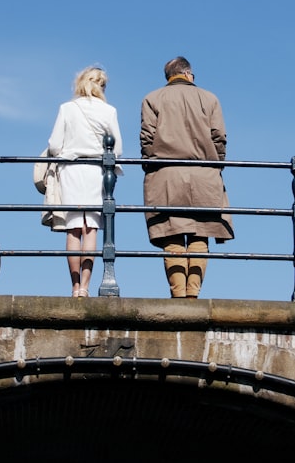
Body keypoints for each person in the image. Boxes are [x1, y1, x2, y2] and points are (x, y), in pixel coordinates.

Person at [140, 56, 234, 298]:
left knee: (171, 235)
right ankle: (193, 295)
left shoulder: (152, 98)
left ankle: (178, 296)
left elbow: (147, 140)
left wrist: (154, 165)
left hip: (166, 176)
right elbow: (219, 138)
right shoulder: (210, 98)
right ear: (189, 74)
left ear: (169, 77)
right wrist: (215, 165)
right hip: (205, 176)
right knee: (200, 233)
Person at [47, 66, 123, 297]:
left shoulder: (67, 109)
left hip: (71, 170)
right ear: (102, 86)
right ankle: (87, 287)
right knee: (91, 229)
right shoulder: (109, 111)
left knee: (73, 230)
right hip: (95, 172)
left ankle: (75, 286)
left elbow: (54, 145)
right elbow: (117, 149)